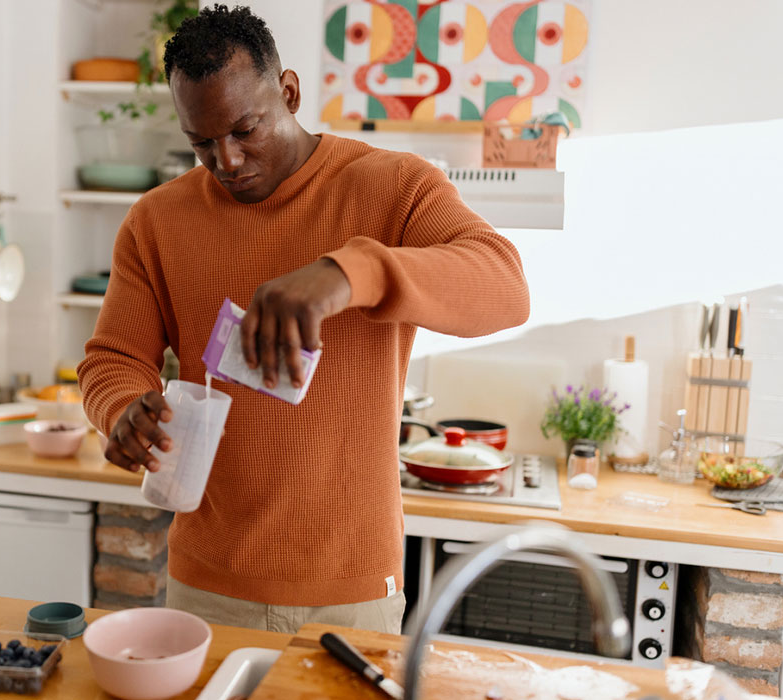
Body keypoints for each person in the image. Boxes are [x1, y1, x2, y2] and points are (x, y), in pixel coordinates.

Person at [77, 4, 529, 635]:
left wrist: (348, 274)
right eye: (201, 143)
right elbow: (113, 358)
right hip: (204, 587)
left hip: (352, 593)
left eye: (244, 129)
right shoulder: (157, 221)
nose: (226, 161)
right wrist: (122, 405)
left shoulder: (394, 187)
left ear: (288, 91)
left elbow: (506, 286)